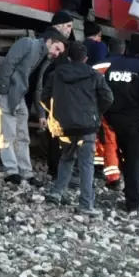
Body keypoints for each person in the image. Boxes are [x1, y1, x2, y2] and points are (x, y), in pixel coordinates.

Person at [0, 29, 66, 186]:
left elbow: (37, 87)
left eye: (60, 52)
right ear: (49, 41)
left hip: (18, 96)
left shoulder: (44, 58)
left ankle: (25, 173)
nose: (57, 54)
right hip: (9, 93)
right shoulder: (27, 44)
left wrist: (41, 113)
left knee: (22, 136)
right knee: (8, 134)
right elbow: (8, 65)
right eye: (57, 48)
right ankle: (12, 172)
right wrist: (3, 91)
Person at [42, 40, 113, 214]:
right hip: (87, 126)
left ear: (68, 57)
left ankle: (57, 193)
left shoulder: (56, 74)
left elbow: (44, 96)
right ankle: (85, 204)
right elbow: (108, 97)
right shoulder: (94, 75)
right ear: (86, 58)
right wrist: (97, 111)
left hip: (64, 125)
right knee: (86, 164)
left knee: (66, 157)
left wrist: (56, 113)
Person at [104, 32, 139, 214]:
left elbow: (105, 91)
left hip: (114, 120)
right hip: (135, 124)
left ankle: (127, 195)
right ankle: (134, 203)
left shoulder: (113, 65)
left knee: (122, 159)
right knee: (135, 163)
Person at [34, 11, 76, 179]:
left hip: (40, 92)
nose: (70, 31)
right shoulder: (61, 44)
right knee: (56, 133)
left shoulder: (41, 38)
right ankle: (56, 169)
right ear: (59, 25)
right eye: (68, 26)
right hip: (54, 94)